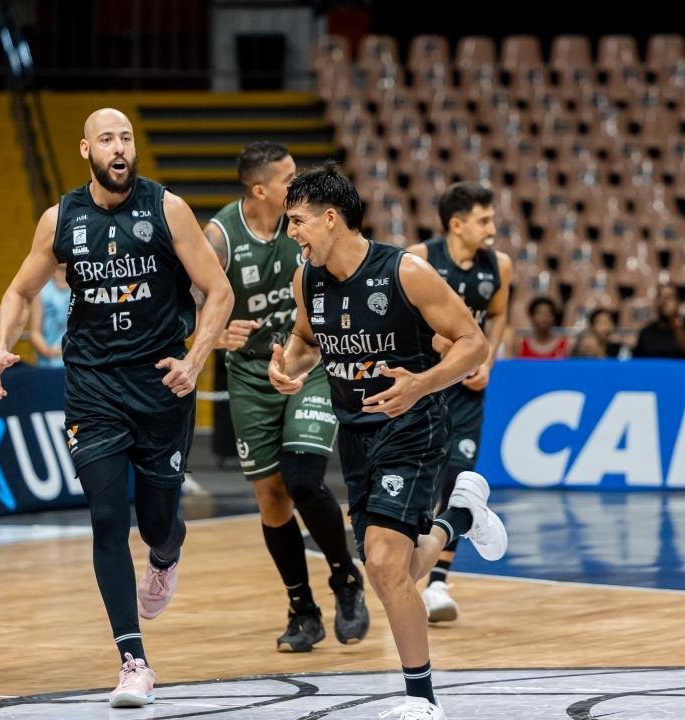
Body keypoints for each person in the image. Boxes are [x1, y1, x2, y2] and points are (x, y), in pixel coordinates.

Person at [0, 108, 233, 708]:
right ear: (85, 150)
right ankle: (133, 660)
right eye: (107, 139)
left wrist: (196, 358)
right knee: (104, 515)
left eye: (125, 138)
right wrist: (0, 345)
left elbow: (218, 290)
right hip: (93, 388)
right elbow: (20, 290)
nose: (119, 148)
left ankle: (166, 556)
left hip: (161, 385)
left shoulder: (167, 208)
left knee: (155, 524)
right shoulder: (61, 218)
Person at [269, 163, 507, 720]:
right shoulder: (307, 278)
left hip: (414, 427)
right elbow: (307, 339)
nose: (292, 233)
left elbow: (471, 343)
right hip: (354, 431)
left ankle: (422, 700)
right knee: (390, 570)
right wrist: (292, 366)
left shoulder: (406, 271)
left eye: (298, 221)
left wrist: (420, 384)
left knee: (381, 562)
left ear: (331, 219)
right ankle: (460, 520)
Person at [205, 141, 368, 652]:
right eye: (287, 178)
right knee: (272, 497)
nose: (297, 185)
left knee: (302, 476)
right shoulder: (219, 236)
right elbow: (182, 300)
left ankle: (345, 579)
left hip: (308, 359)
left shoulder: (309, 225)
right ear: (259, 190)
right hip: (251, 373)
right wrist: (209, 331)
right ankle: (302, 609)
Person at [404, 181, 511, 624]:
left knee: (456, 481)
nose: (492, 227)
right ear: (456, 224)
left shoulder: (499, 265)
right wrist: (450, 348)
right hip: (427, 383)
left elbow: (499, 314)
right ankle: (407, 570)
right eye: (484, 220)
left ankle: (437, 584)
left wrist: (488, 355)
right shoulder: (421, 259)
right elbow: (404, 318)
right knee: (421, 482)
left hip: (469, 391)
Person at [632, 284, 685, 359]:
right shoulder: (646, 332)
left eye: (669, 297)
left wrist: (674, 319)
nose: (665, 301)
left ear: (678, 301)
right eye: (661, 297)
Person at [29, 264, 70, 367]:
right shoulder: (41, 290)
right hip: (48, 362)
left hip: (76, 360)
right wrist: (48, 352)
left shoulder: (82, 286)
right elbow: (35, 332)